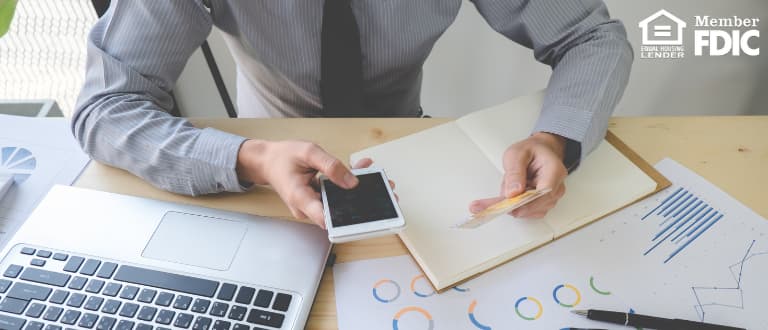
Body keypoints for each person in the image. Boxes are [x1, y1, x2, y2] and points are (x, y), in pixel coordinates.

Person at [72, 1, 632, 228]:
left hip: (406, 145)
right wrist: (250, 158)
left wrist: (556, 137)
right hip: (262, 168)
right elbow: (104, 107)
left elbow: (591, 36)